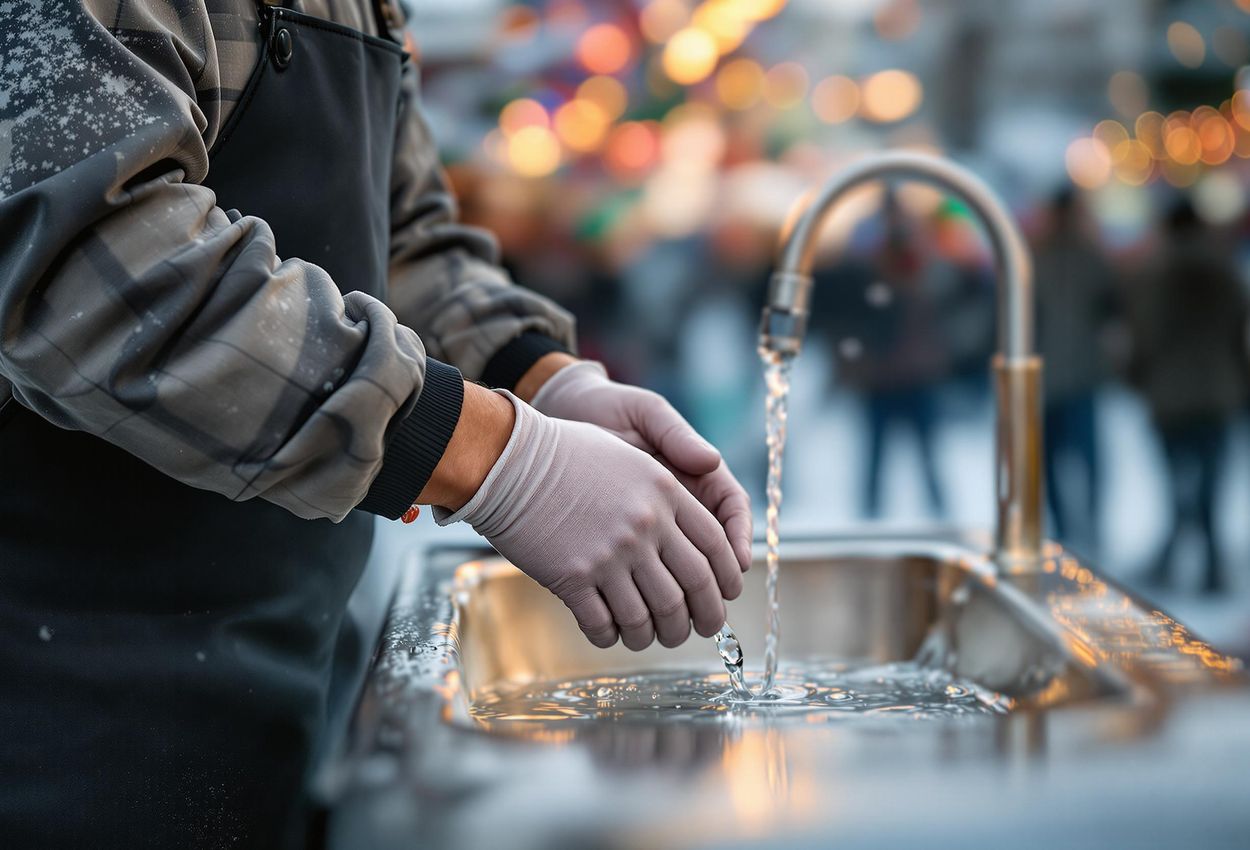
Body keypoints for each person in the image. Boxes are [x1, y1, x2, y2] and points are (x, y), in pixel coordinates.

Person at [0, 2, 751, 847]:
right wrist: (500, 456)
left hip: (276, 671)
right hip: (61, 706)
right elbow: (83, 262)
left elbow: (403, 238)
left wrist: (538, 379)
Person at [1127, 199, 1248, 594]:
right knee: (1211, 485)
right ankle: (1211, 568)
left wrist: (1137, 379)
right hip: (1216, 393)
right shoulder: (1224, 271)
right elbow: (1238, 333)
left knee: (1174, 484)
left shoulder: (1155, 274)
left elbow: (1142, 336)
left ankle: (1169, 562)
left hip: (1170, 396)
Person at [1033, 187, 1117, 554]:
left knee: (1076, 459)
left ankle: (1081, 528)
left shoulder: (1079, 258)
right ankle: (1071, 528)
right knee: (1063, 460)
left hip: (1071, 375)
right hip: (1061, 375)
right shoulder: (1048, 258)